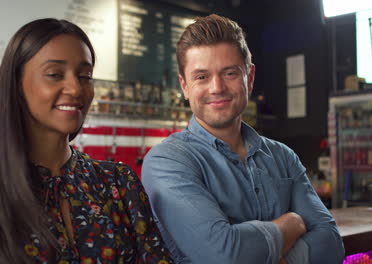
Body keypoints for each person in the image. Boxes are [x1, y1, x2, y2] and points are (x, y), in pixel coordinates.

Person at [0, 18, 173, 264]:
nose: (75, 88)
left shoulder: (119, 183)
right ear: (17, 84)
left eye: (85, 75)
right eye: (54, 74)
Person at [142, 14, 344, 264]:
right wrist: (291, 224)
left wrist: (283, 260)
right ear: (184, 86)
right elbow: (225, 255)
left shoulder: (283, 157)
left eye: (229, 73)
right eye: (201, 76)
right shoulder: (167, 162)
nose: (217, 87)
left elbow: (332, 243)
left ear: (249, 78)